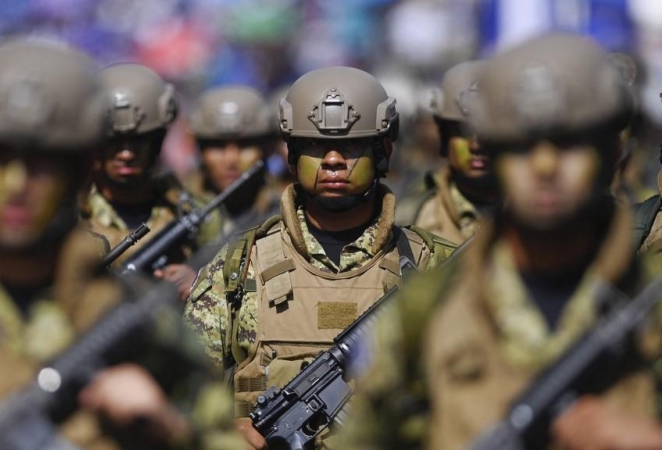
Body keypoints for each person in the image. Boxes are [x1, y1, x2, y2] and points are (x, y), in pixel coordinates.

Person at [0, 38, 242, 450]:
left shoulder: (141, 325)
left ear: (80, 168)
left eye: (42, 162)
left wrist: (168, 431)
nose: (16, 186)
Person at [342, 33, 662, 450]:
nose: (545, 165)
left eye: (567, 143)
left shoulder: (649, 298)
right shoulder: (425, 312)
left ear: (611, 152)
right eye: (522, 146)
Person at [184, 66, 456, 449]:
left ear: (384, 151)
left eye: (351, 146)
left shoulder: (431, 265)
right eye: (314, 146)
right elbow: (183, 387)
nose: (332, 161)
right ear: (291, 155)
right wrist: (227, 431)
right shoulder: (239, 264)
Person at [85, 63, 222, 298]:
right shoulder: (72, 220)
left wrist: (202, 286)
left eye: (139, 141)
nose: (126, 154)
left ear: (158, 142)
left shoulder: (198, 213)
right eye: (114, 142)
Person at [410, 61, 499, 244]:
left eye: (486, 133)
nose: (476, 146)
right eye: (462, 132)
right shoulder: (410, 214)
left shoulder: (540, 213)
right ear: (445, 137)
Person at [187, 85, 280, 233]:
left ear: (268, 148)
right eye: (217, 145)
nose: (231, 159)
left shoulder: (287, 210)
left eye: (245, 145)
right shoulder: (178, 209)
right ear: (199, 149)